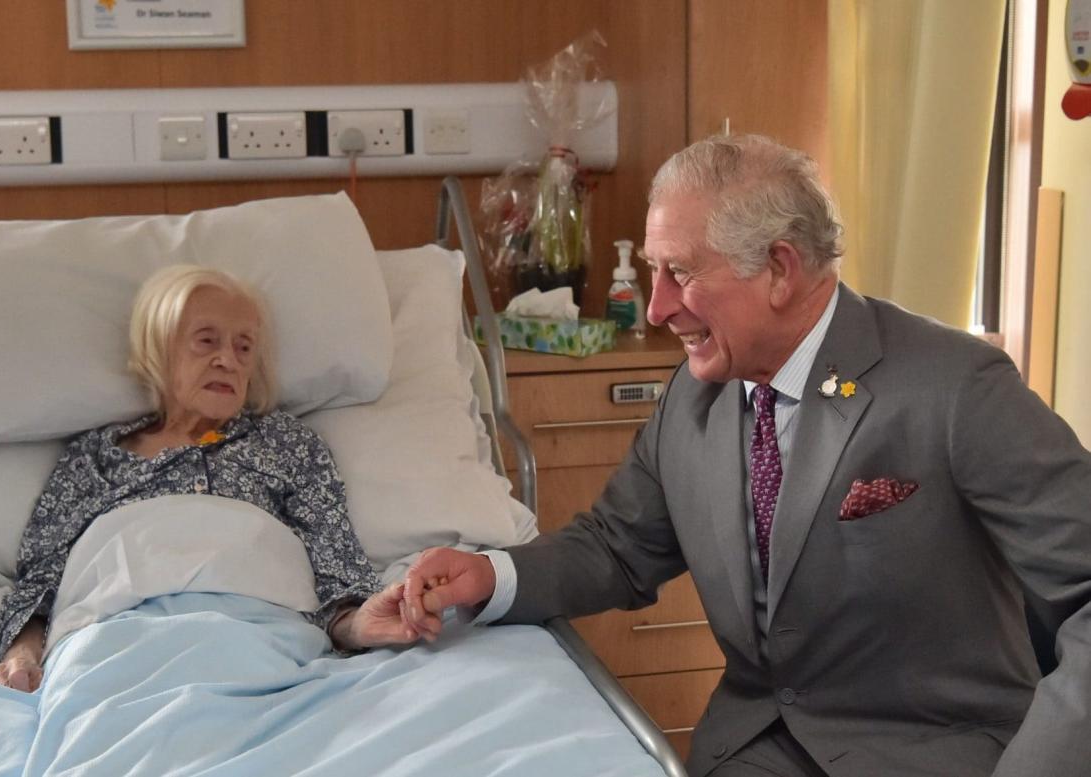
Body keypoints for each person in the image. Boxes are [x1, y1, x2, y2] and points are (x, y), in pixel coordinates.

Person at [402, 134, 1091, 777]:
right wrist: (492, 576)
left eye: (678, 273)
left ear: (780, 269)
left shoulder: (955, 387)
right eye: (652, 270)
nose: (656, 308)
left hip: (930, 755)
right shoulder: (697, 399)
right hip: (755, 750)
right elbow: (618, 546)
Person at [0, 265, 418, 692]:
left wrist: (359, 625)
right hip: (113, 637)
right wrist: (22, 655)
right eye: (206, 341)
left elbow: (334, 560)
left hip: (261, 635)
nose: (227, 360)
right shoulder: (93, 457)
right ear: (158, 349)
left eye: (244, 347)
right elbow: (41, 581)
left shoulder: (287, 444)